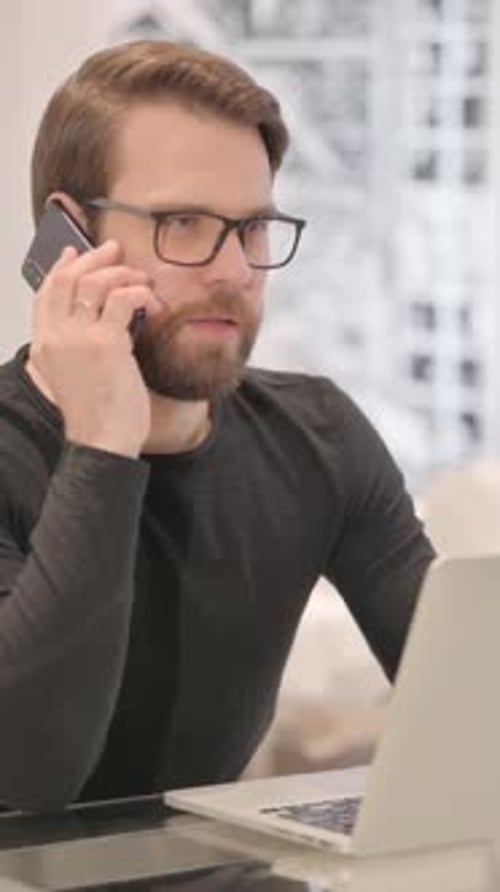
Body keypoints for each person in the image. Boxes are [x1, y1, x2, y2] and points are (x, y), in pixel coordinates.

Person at [0, 40, 434, 813]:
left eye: (253, 228)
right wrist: (102, 443)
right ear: (67, 239)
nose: (234, 270)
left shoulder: (320, 437)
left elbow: (467, 706)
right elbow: (23, 781)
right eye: (185, 223)